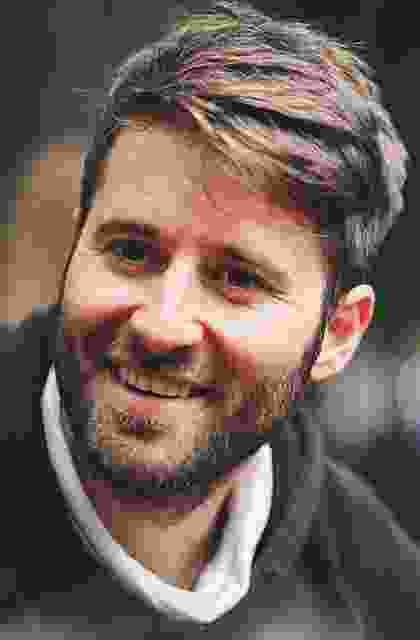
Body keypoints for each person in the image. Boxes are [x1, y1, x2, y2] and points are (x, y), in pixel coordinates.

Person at [2, 2, 419, 637]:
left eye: (239, 280)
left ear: (338, 334)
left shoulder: (379, 593)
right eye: (130, 251)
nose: (161, 326)